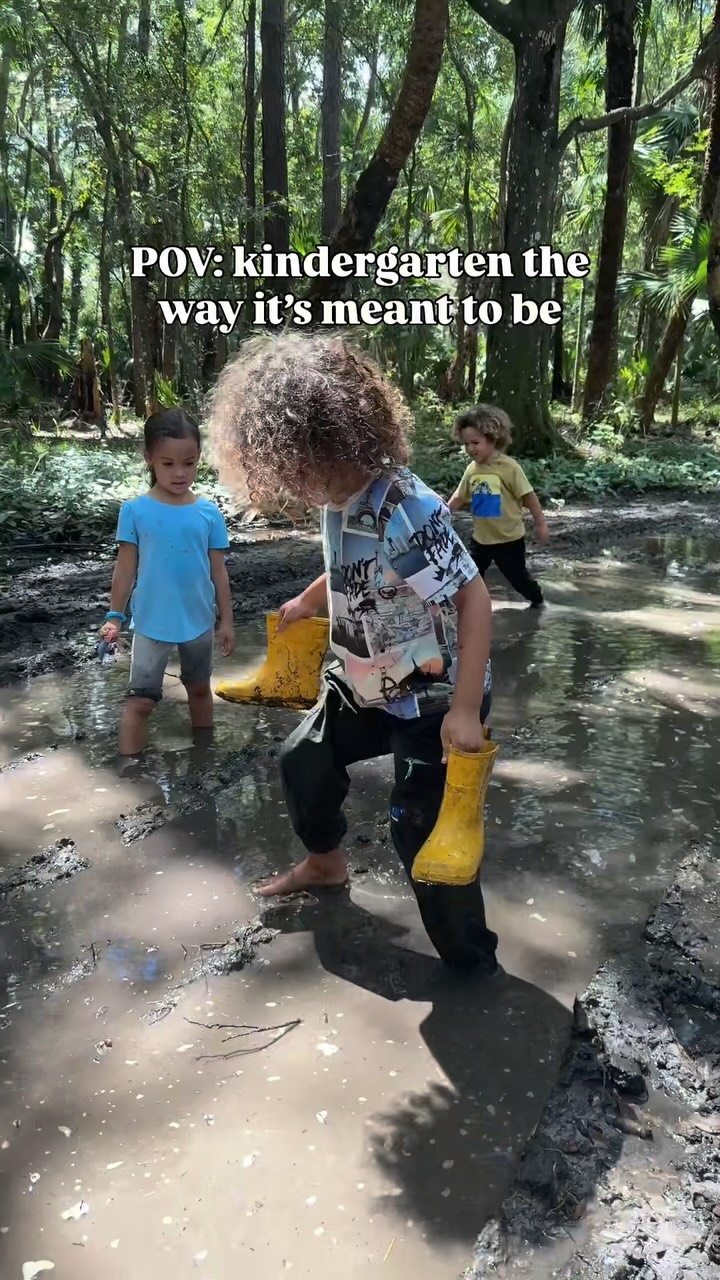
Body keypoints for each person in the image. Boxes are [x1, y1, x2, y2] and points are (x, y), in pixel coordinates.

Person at [210, 334, 498, 974]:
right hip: (364, 677)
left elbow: (475, 603)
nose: (300, 484)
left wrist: (467, 712)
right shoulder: (336, 496)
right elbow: (350, 565)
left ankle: (473, 966)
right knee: (303, 760)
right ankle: (324, 862)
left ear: (343, 440)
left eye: (305, 468)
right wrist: (311, 600)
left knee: (421, 833)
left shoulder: (407, 508)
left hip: (434, 696)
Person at [101, 408, 234, 756]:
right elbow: (125, 569)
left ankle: (203, 760)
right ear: (149, 459)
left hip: (199, 621)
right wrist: (114, 615)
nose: (179, 473)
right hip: (151, 622)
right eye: (168, 463)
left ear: (198, 459)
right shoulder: (135, 511)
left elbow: (218, 571)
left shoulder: (209, 513)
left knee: (200, 690)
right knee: (140, 702)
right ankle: (129, 772)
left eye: (188, 463)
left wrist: (228, 622)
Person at [448, 405, 548, 608]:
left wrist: (541, 523)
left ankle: (538, 601)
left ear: (492, 439)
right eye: (466, 444)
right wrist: (439, 513)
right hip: (481, 539)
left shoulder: (509, 467)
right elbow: (459, 496)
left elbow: (528, 496)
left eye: (475, 442)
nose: (470, 449)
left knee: (518, 579)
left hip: (509, 540)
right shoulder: (472, 469)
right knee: (470, 575)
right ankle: (467, 607)